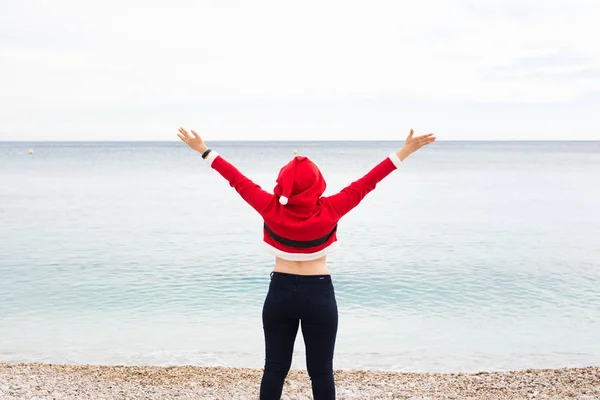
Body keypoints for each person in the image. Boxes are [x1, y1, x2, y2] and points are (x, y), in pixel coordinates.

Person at [177, 127, 436, 400]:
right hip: (319, 295)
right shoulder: (333, 208)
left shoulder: (269, 207)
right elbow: (368, 181)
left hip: (280, 294)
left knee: (275, 370)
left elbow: (237, 180)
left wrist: (204, 150)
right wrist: (405, 151)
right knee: (321, 372)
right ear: (318, 183)